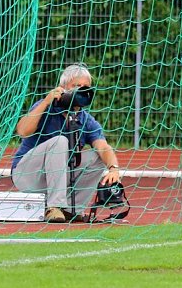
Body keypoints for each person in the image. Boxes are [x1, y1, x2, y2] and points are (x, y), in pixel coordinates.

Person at [12, 63, 121, 223]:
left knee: (97, 156)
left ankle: (72, 210)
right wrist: (46, 102)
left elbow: (103, 147)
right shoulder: (47, 107)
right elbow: (22, 131)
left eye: (86, 87)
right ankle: (54, 207)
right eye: (76, 86)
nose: (81, 91)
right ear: (63, 87)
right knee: (60, 141)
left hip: (56, 181)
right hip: (27, 174)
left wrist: (113, 169)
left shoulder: (85, 119)